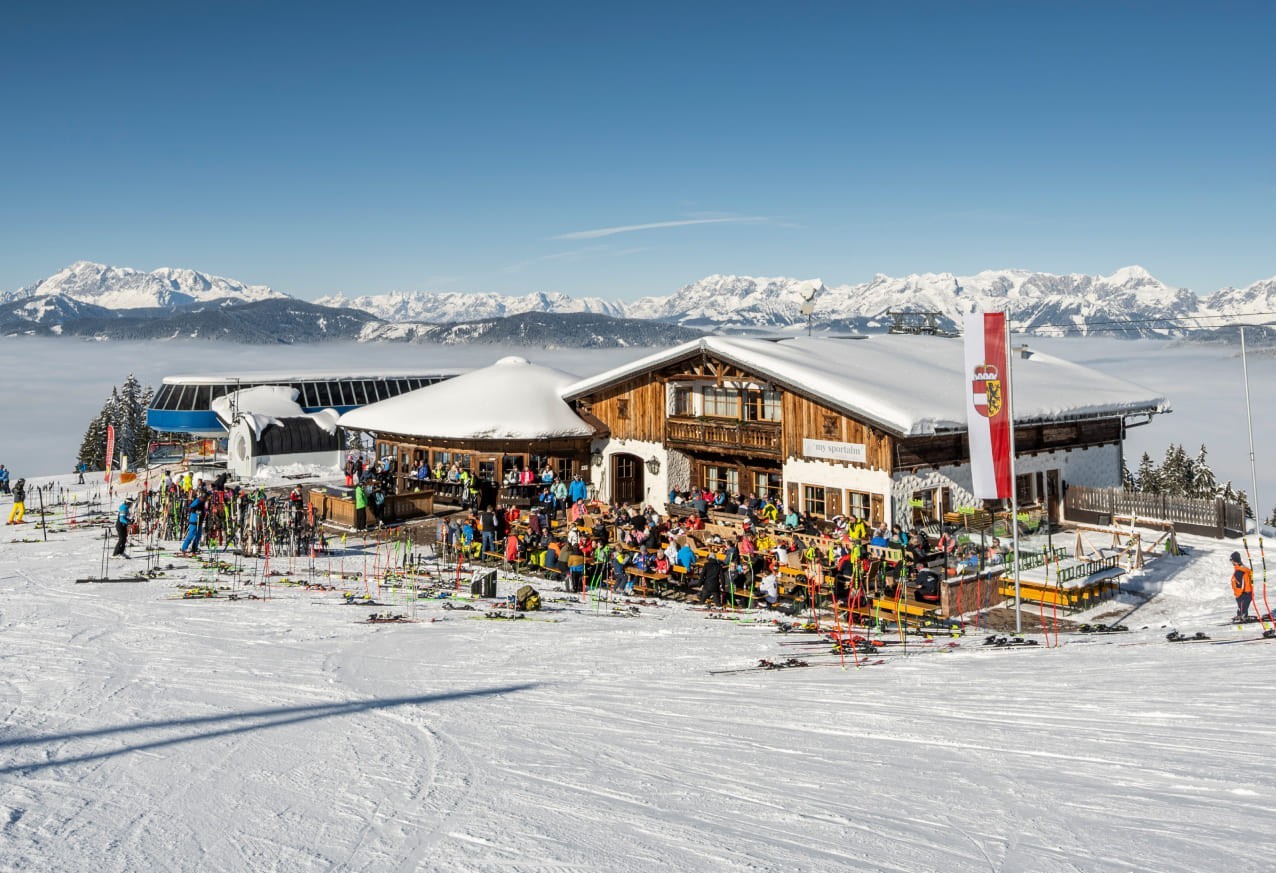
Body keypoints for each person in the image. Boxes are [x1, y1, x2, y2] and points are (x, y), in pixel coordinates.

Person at [1230, 551, 1255, 622]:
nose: (1231, 562)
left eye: (1231, 560)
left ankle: (1242, 615)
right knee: (1242, 608)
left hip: (1243, 594)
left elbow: (1239, 586)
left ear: (1234, 560)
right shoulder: (1242, 569)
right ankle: (1242, 615)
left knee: (1242, 607)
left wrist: (1238, 595)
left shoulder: (1239, 571)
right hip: (1247, 593)